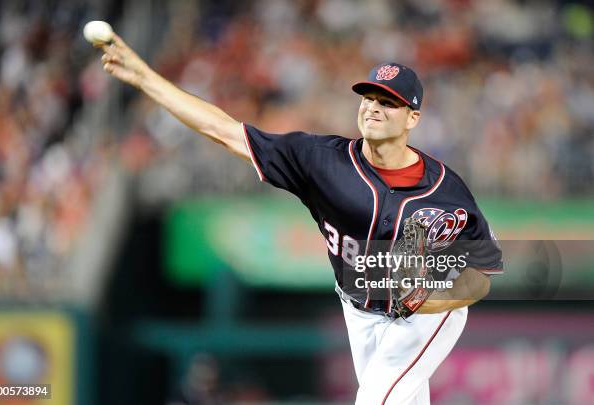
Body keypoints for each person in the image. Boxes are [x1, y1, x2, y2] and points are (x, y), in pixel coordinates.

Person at [98, 34, 503, 404]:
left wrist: (433, 297)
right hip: (358, 307)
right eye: (369, 98)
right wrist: (147, 79)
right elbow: (223, 130)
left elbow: (482, 272)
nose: (373, 108)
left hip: (426, 312)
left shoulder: (446, 190)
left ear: (412, 118)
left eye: (388, 102)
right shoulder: (321, 160)